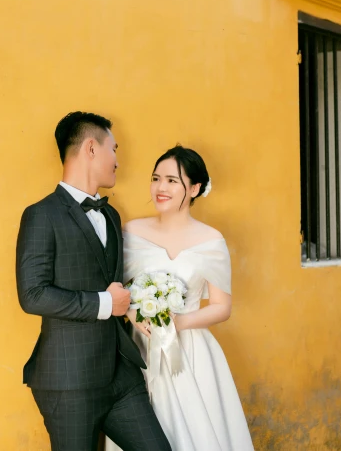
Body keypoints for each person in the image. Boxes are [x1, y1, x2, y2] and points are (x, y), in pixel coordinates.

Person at [15, 111, 171, 451]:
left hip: (121, 376)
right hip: (69, 382)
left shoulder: (112, 215)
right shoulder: (41, 215)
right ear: (90, 148)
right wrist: (104, 303)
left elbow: (114, 284)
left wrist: (130, 306)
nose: (118, 159)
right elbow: (32, 294)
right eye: (114, 149)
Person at [106, 145, 254, 451]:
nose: (161, 187)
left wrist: (175, 322)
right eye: (156, 178)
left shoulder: (211, 241)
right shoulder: (132, 232)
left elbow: (222, 307)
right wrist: (134, 313)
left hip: (190, 352)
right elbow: (117, 289)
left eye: (173, 180)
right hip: (139, 348)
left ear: (195, 188)